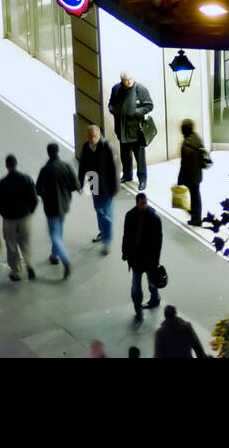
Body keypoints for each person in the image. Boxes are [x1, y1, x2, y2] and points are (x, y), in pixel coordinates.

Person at [0, 154, 38, 281]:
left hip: (9, 219)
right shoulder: (26, 179)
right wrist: (30, 212)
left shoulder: (2, 183)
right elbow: (34, 199)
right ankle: (30, 266)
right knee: (25, 242)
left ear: (7, 166)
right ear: (16, 164)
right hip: (25, 217)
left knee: (11, 245)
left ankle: (16, 272)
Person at [35, 142, 77, 278]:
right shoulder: (66, 166)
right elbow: (75, 185)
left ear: (48, 153)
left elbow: (38, 189)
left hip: (51, 207)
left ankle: (65, 259)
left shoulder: (45, 170)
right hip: (64, 205)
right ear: (58, 152)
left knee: (54, 234)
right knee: (58, 230)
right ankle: (54, 255)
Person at [121, 192, 162, 325]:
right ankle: (138, 307)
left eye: (145, 202)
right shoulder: (130, 216)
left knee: (151, 283)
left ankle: (155, 298)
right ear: (137, 203)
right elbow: (126, 234)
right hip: (136, 258)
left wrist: (156, 259)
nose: (144, 205)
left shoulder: (155, 218)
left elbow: (158, 240)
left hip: (149, 259)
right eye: (141, 203)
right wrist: (125, 251)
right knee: (136, 287)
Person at [108, 72, 153, 189]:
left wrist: (137, 112)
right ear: (121, 80)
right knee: (125, 156)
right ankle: (127, 175)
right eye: (126, 80)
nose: (129, 82)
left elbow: (149, 105)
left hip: (136, 131)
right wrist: (114, 111)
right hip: (122, 130)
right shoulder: (116, 89)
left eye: (130, 79)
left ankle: (142, 180)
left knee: (140, 158)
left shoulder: (140, 90)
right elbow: (111, 104)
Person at [77, 123, 118, 255]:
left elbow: (115, 168)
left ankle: (107, 240)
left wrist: (115, 187)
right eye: (89, 137)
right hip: (94, 183)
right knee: (98, 210)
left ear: (99, 135)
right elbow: (82, 166)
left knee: (106, 213)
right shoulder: (86, 147)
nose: (92, 140)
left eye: (94, 137)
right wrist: (80, 183)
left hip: (107, 185)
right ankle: (102, 232)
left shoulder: (107, 147)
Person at [178, 119, 210, 228]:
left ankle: (195, 218)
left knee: (191, 197)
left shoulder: (187, 145)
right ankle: (196, 217)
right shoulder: (197, 138)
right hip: (197, 174)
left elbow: (184, 165)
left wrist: (180, 179)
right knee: (196, 195)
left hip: (190, 176)